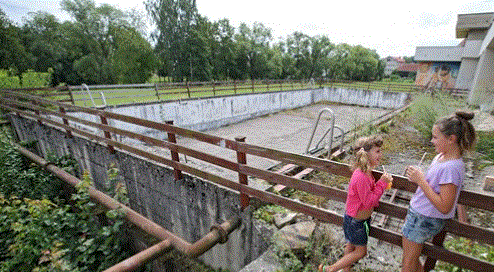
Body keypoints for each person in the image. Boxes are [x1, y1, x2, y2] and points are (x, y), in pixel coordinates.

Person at [401, 110, 476, 272]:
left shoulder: (452, 167)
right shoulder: (442, 157)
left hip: (423, 219)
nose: (431, 141)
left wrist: (420, 180)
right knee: (410, 261)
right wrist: (420, 177)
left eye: (435, 137)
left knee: (407, 265)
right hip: (418, 215)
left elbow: (444, 206)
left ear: (451, 139)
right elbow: (434, 185)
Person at [319, 135, 393, 272]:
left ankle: (346, 270)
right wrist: (382, 183)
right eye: (377, 151)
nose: (380, 154)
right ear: (366, 153)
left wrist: (379, 183)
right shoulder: (362, 175)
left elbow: (367, 194)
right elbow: (369, 201)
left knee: (350, 245)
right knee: (361, 252)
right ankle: (329, 269)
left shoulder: (366, 172)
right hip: (356, 222)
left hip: (355, 219)